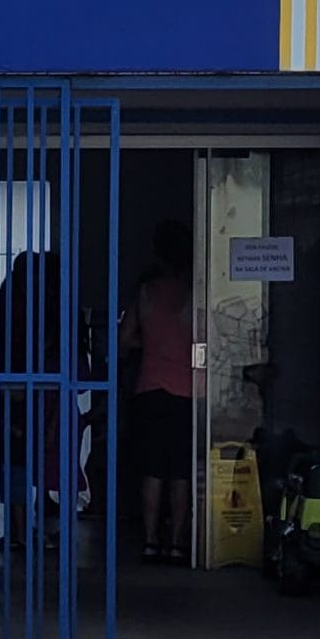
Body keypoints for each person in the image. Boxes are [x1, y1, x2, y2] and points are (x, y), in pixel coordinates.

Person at [0, 253, 70, 550]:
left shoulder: (7, 298)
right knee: (17, 451)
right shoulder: (38, 304)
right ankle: (15, 522)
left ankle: (0, 524)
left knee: (1, 452)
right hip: (17, 385)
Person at [122, 220, 197, 565]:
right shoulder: (194, 293)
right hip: (187, 391)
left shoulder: (146, 292)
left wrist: (150, 346)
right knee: (180, 471)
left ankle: (151, 541)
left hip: (149, 387)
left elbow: (124, 341)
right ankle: (178, 543)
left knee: (152, 469)